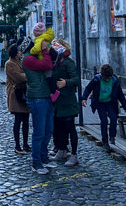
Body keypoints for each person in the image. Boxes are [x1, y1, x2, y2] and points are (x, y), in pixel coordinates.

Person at [21, 36, 57, 175]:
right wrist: (44, 50)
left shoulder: (35, 57)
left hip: (46, 95)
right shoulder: (28, 59)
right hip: (37, 97)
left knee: (48, 129)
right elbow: (47, 65)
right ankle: (36, 162)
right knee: (39, 131)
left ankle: (44, 157)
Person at [81, 63, 126, 151]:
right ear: (101, 75)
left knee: (114, 119)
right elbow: (88, 88)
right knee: (104, 121)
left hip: (110, 103)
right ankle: (105, 141)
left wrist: (125, 107)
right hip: (100, 103)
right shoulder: (96, 79)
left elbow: (120, 95)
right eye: (105, 78)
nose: (107, 80)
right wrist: (84, 98)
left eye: (108, 78)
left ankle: (112, 136)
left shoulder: (115, 81)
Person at [50, 38, 80, 166]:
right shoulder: (54, 62)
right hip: (57, 102)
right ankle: (61, 150)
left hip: (67, 101)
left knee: (70, 128)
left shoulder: (68, 62)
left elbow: (76, 79)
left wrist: (66, 83)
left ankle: (73, 155)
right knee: (59, 128)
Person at [5, 43, 30, 154]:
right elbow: (18, 77)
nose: (21, 53)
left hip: (24, 93)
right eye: (19, 51)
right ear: (14, 52)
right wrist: (29, 75)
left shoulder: (20, 61)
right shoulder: (9, 63)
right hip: (16, 95)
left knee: (26, 121)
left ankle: (25, 144)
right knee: (18, 120)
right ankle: (17, 145)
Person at [30, 23, 60, 103]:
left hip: (43, 58)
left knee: (48, 78)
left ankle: (53, 92)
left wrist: (31, 51)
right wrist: (48, 29)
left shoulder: (39, 39)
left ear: (36, 33)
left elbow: (36, 49)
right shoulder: (47, 36)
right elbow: (51, 34)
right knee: (50, 75)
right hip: (50, 58)